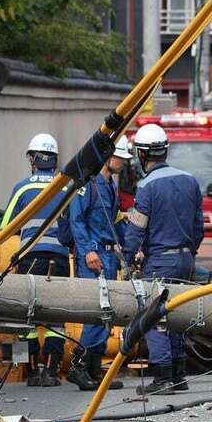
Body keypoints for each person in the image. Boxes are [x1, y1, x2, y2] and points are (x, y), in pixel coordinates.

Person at [124, 124, 204, 395]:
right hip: (185, 259)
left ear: (142, 155)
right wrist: (189, 253)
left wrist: (127, 258)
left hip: (159, 261)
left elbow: (136, 229)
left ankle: (162, 378)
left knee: (154, 317)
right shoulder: (190, 180)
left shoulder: (146, 187)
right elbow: (198, 227)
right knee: (179, 314)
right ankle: (180, 375)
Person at [0, 133, 69, 387]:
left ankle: (30, 372)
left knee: (26, 317)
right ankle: (50, 372)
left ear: (34, 158)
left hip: (30, 259)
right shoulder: (66, 186)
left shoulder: (23, 187)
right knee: (56, 318)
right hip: (59, 260)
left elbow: (6, 225)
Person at [66, 135, 134, 391]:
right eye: (120, 158)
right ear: (107, 157)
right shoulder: (89, 183)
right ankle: (79, 367)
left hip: (107, 255)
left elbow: (112, 220)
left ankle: (94, 370)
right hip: (93, 256)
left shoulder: (109, 186)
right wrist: (87, 251)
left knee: (106, 314)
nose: (123, 164)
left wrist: (125, 249)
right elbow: (77, 219)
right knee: (96, 312)